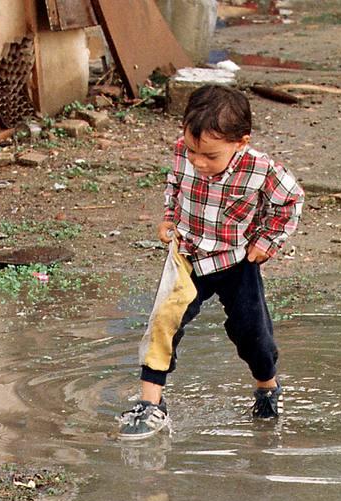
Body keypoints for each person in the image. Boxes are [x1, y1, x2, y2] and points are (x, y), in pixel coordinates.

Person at [118, 84, 304, 440]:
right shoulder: (183, 153)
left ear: (241, 142)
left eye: (210, 156)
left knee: (253, 334)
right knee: (163, 325)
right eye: (191, 152)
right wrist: (170, 217)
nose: (199, 163)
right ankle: (150, 404)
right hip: (187, 256)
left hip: (236, 262)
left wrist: (266, 242)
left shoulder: (262, 170)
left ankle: (267, 388)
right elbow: (175, 184)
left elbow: (291, 202)